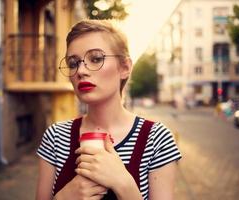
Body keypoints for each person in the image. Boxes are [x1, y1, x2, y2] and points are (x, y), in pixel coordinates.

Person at [36, 19, 182, 200]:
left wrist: (123, 183)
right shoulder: (56, 136)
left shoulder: (156, 139)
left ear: (125, 68)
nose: (81, 70)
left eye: (96, 58)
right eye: (73, 63)